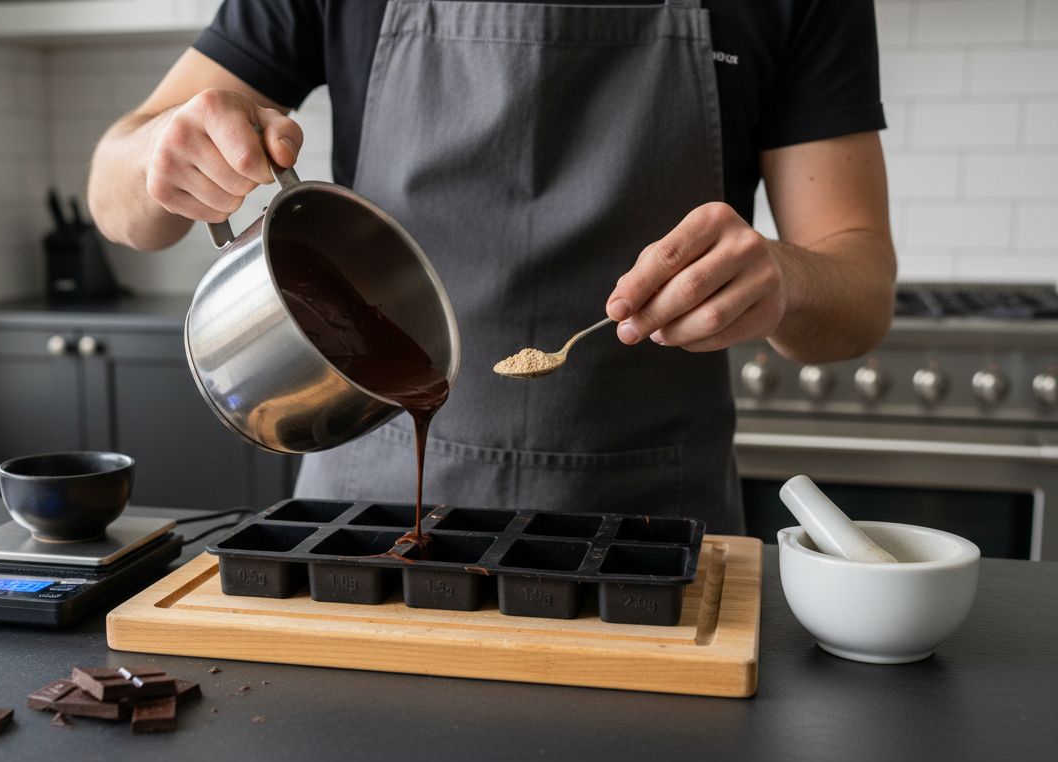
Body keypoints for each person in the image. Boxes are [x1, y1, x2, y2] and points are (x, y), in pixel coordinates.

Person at [87, 0, 895, 534]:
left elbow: (860, 295)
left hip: (651, 526)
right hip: (366, 513)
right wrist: (164, 153)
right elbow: (114, 198)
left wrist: (786, 279)